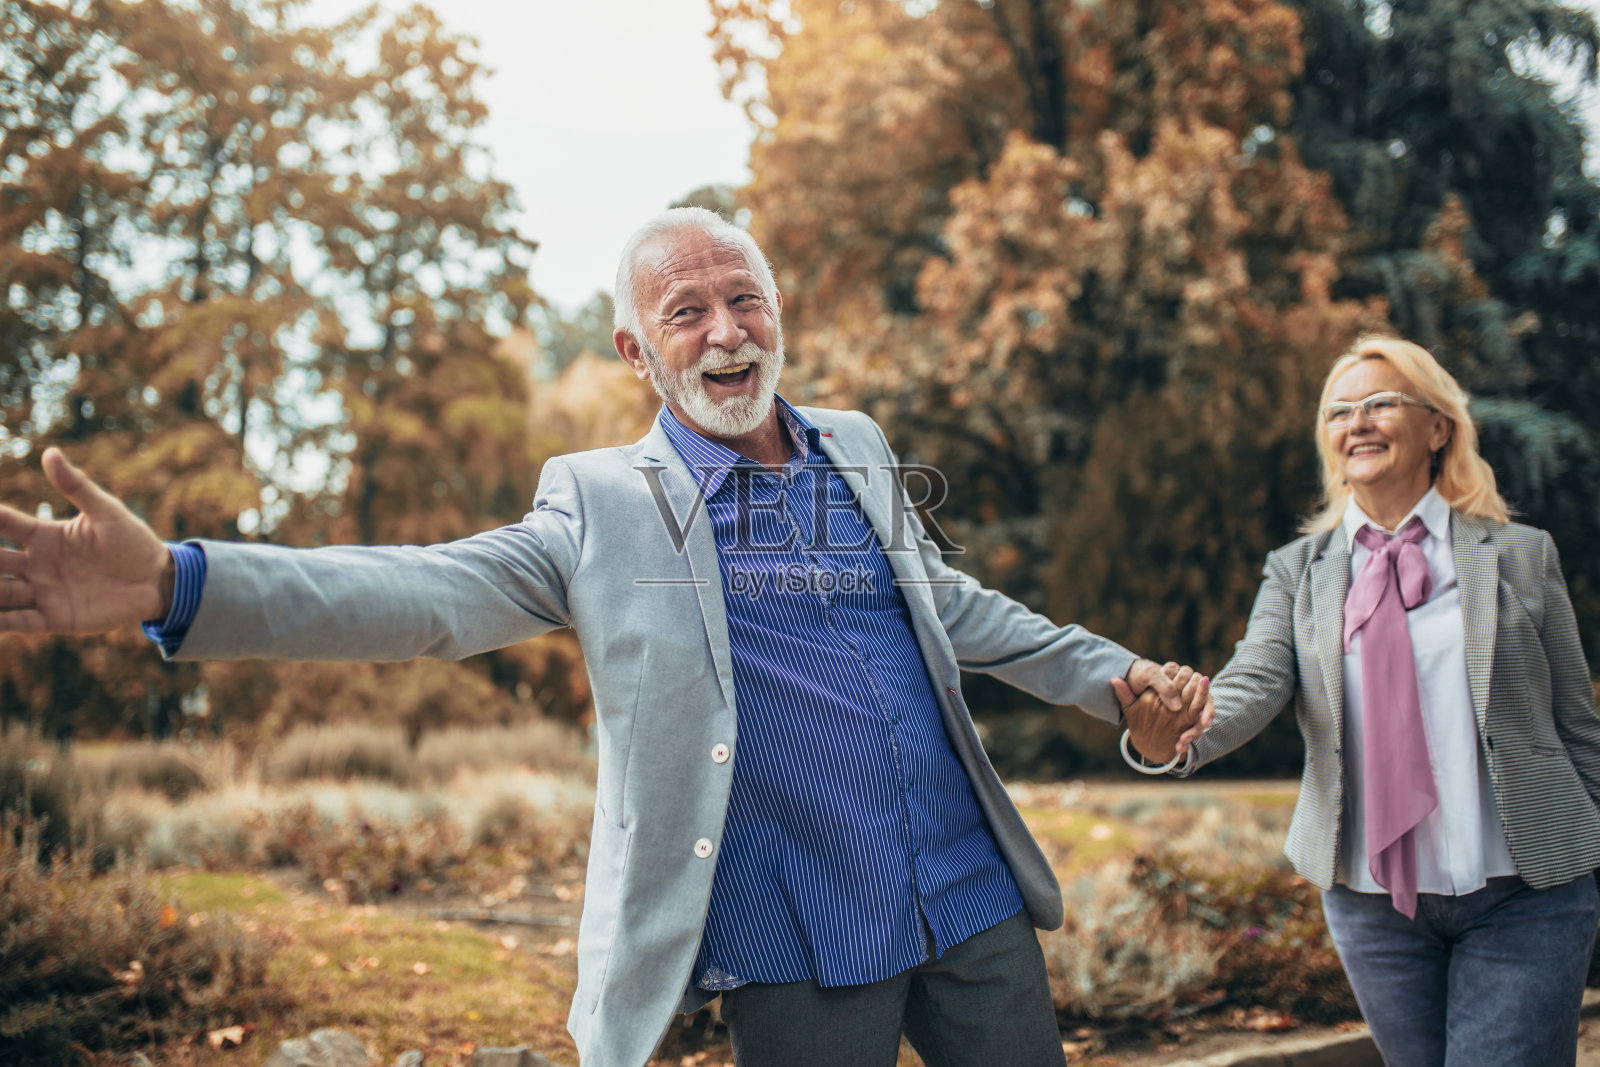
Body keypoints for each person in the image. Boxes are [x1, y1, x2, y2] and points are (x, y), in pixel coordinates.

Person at [0, 207, 1211, 1067]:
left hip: (969, 895)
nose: (726, 331)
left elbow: (955, 610)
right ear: (637, 350)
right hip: (797, 929)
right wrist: (178, 580)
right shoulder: (596, 502)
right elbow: (422, 594)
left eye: (746, 300)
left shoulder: (855, 440)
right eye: (686, 312)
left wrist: (1114, 680)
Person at [1115, 336, 1600, 1067]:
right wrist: (1176, 737)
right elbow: (1252, 681)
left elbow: (1577, 726)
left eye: (1380, 402)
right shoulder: (1297, 571)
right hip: (1373, 909)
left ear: (1438, 427)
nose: (1358, 421)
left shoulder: (1521, 554)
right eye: (1340, 411)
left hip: (1524, 893)